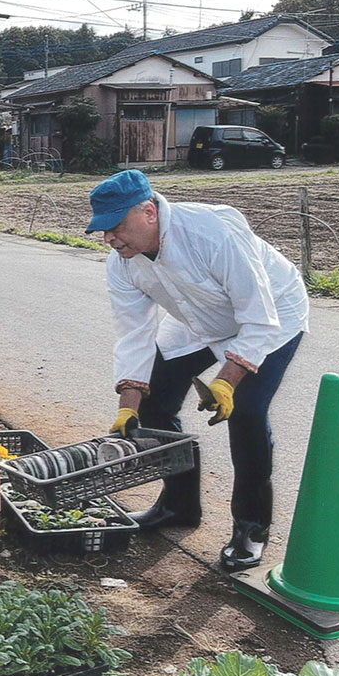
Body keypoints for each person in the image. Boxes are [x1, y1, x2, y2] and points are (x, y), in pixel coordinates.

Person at [87, 169, 309, 571]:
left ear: (149, 212)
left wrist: (225, 383)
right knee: (152, 403)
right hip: (197, 319)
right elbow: (135, 334)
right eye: (102, 230)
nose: (109, 238)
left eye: (116, 226)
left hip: (271, 313)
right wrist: (128, 405)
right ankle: (178, 505)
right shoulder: (123, 263)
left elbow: (258, 317)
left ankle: (251, 528)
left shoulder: (210, 232)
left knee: (245, 411)